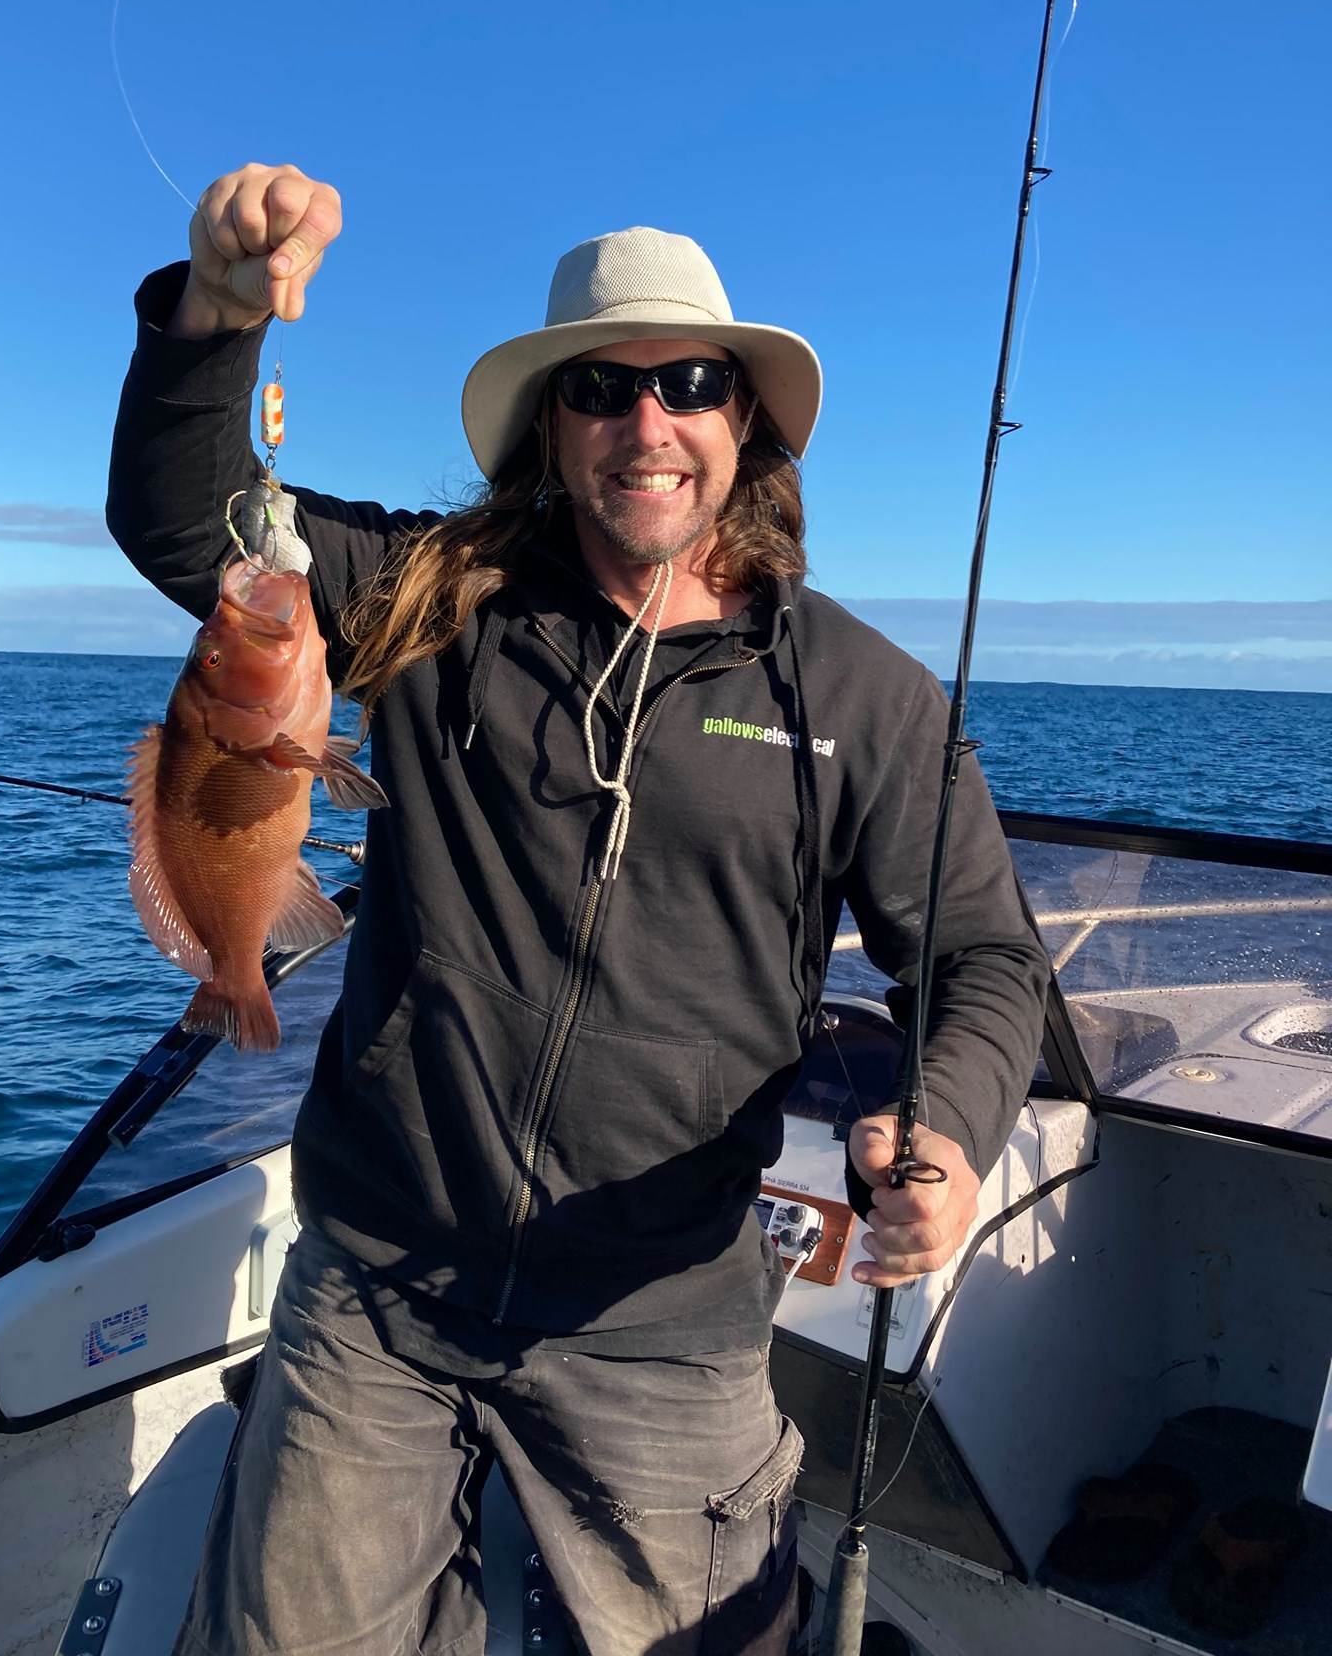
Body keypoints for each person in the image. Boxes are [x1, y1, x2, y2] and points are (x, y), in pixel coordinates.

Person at [108, 161, 1051, 1656]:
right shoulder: (432, 600)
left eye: (690, 383)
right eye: (601, 390)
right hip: (375, 1288)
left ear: (744, 420)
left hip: (661, 1320)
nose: (647, 422)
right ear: (552, 429)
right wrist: (214, 327)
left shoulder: (862, 699)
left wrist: (947, 1125)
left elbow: (985, 957)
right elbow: (189, 529)